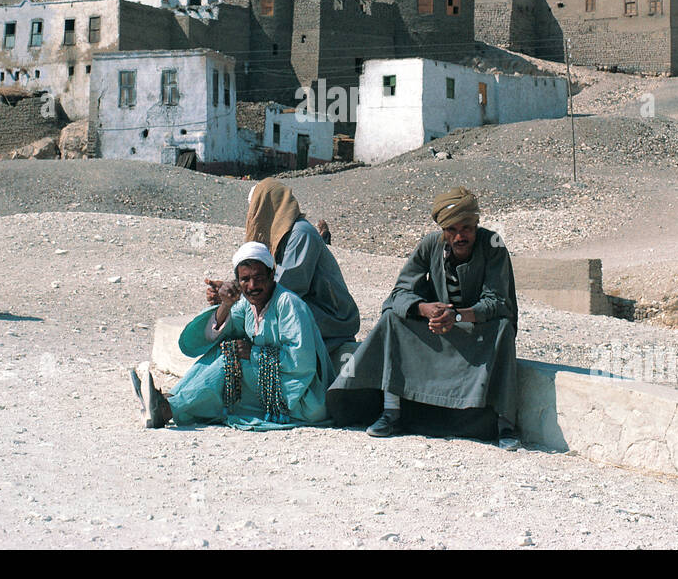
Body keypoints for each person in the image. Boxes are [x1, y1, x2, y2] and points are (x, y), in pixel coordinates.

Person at [328, 187, 520, 449]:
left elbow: (498, 302)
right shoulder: (431, 245)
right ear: (443, 230)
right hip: (438, 325)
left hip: (475, 328)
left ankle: (505, 424)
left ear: (477, 225)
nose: (460, 236)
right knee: (392, 320)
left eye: (467, 228)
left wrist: (459, 316)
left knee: (504, 330)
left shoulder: (493, 245)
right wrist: (424, 309)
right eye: (452, 229)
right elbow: (399, 294)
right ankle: (391, 412)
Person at [133, 242, 334, 431]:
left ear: (272, 275)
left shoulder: (288, 304)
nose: (253, 285)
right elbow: (221, 329)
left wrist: (253, 353)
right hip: (275, 380)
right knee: (222, 348)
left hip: (300, 394)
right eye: (245, 279)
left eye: (259, 278)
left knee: (229, 363)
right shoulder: (248, 305)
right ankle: (170, 398)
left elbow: (302, 363)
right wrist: (226, 304)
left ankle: (167, 409)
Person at [208, 179, 359, 352]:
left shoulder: (300, 234)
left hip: (331, 316)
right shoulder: (280, 235)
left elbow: (283, 290)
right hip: (308, 306)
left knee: (256, 319)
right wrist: (231, 291)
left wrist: (236, 296)